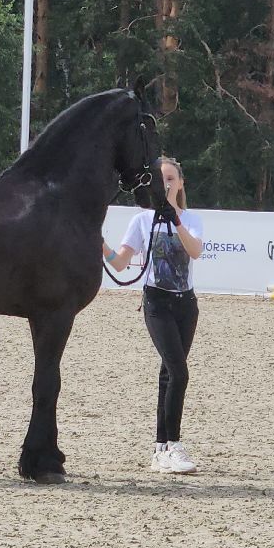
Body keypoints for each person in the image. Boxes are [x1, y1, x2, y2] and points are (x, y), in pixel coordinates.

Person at [102, 157, 204, 474]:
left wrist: (175, 220)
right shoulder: (141, 221)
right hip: (156, 304)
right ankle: (173, 444)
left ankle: (160, 448)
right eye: (162, 179)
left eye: (172, 178)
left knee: (168, 375)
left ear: (181, 183)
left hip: (186, 305)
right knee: (179, 372)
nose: (167, 184)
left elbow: (195, 250)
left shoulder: (190, 219)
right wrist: (97, 240)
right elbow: (120, 264)